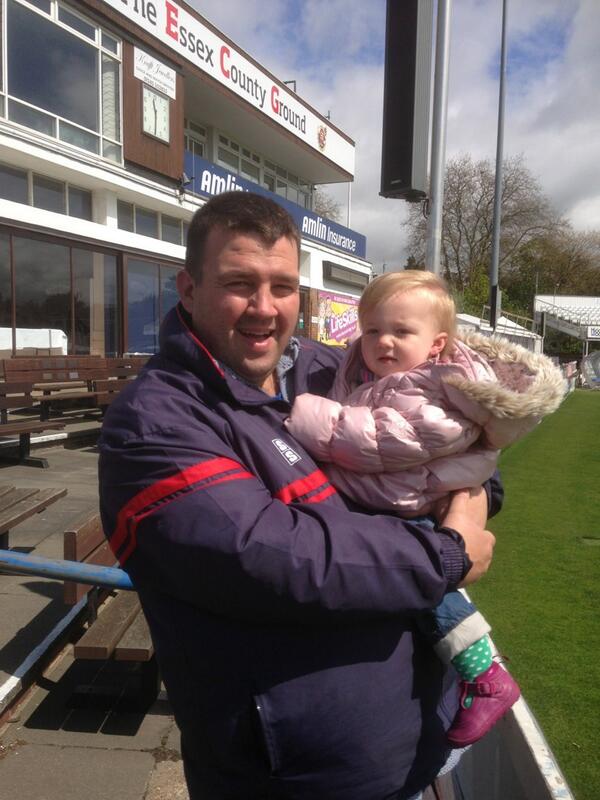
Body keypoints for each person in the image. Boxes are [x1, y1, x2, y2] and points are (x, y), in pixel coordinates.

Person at [98, 192, 499, 800]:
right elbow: (269, 557)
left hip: (417, 735)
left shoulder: (332, 370)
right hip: (297, 773)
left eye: (282, 286)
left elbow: (453, 447)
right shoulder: (155, 421)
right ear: (187, 287)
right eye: (239, 282)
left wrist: (472, 494)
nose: (265, 308)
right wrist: (446, 552)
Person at [286, 270, 565, 747]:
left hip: (411, 501)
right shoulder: (377, 377)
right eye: (372, 330)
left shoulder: (434, 386)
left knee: (428, 587)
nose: (383, 342)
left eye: (401, 331)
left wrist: (308, 418)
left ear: (436, 345)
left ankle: (486, 674)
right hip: (399, 496)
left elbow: (390, 440)